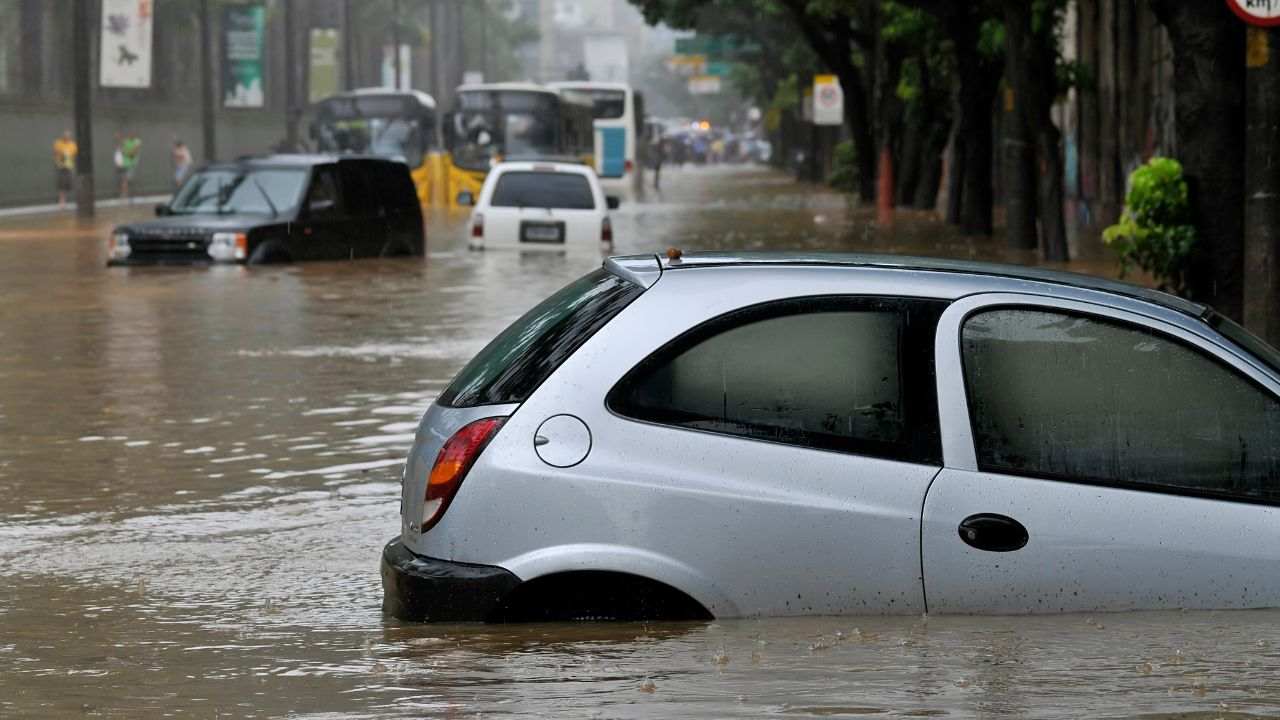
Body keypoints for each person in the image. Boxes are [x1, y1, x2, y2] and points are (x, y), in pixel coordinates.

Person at [52, 130, 77, 209]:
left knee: (68, 184)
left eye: (68, 136)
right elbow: (56, 153)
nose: (67, 137)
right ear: (63, 136)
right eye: (65, 135)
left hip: (69, 167)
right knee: (61, 184)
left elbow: (74, 155)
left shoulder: (73, 145)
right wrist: (59, 161)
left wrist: (70, 161)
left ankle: (65, 201)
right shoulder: (58, 143)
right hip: (61, 167)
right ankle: (62, 202)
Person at [115, 132, 142, 200]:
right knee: (124, 180)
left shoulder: (137, 141)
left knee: (127, 180)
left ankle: (126, 193)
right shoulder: (126, 141)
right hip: (124, 165)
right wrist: (118, 138)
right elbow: (121, 144)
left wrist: (125, 152)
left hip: (131, 165)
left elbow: (132, 154)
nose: (130, 135)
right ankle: (124, 194)